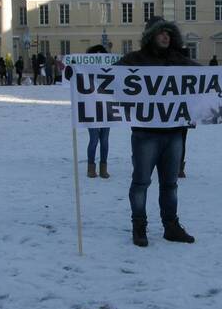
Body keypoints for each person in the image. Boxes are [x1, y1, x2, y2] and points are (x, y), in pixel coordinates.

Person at [116, 16, 199, 246]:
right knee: (141, 182)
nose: (165, 36)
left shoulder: (180, 61)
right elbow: (108, 80)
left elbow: (208, 79)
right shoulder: (134, 60)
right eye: (161, 32)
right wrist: (78, 75)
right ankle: (139, 226)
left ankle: (171, 226)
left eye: (168, 33)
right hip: (145, 133)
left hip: (174, 133)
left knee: (170, 184)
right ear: (150, 35)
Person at [85, 44, 111, 179]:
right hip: (91, 109)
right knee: (94, 139)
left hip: (106, 109)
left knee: (105, 140)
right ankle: (91, 167)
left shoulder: (109, 70)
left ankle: (103, 167)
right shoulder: (86, 70)